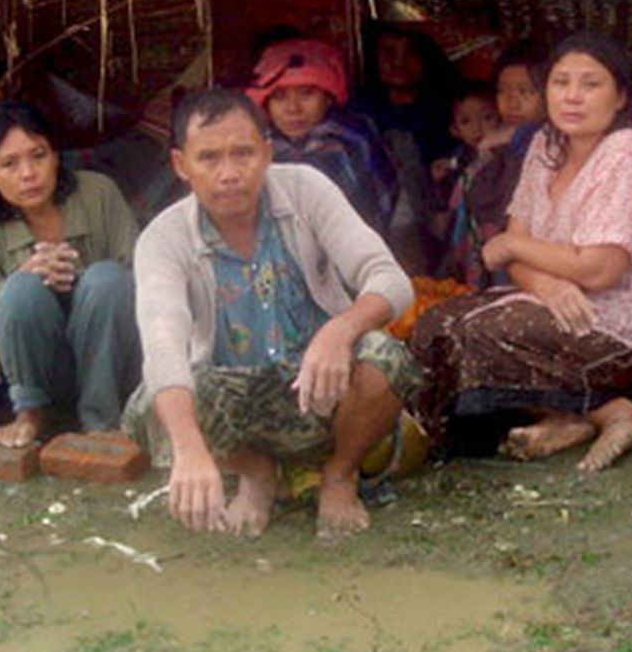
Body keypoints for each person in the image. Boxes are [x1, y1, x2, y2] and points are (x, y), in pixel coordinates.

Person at [123, 88, 421, 539]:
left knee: (384, 357)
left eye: (243, 153)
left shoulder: (306, 188)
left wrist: (339, 331)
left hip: (324, 389)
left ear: (266, 153)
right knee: (152, 400)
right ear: (181, 166)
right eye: (209, 158)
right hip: (236, 403)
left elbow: (391, 280)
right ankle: (255, 472)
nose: (229, 173)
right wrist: (188, 450)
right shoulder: (163, 239)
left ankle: (339, 474)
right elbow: (162, 343)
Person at [411, 32, 632, 472]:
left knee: (477, 335)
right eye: (560, 82)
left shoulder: (628, 152)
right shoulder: (547, 145)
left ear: (620, 96)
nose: (572, 96)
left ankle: (616, 414)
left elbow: (601, 267)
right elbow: (517, 256)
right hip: (561, 300)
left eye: (591, 84)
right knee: (437, 322)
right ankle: (573, 417)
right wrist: (545, 284)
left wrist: (513, 246)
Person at [0, 102, 142, 448]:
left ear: (56, 157)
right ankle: (31, 414)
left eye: (38, 156)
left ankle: (101, 419)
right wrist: (26, 276)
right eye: (9, 164)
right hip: (37, 361)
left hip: (109, 357)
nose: (28, 174)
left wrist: (78, 279)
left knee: (107, 278)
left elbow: (139, 274)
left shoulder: (99, 192)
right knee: (21, 291)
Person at [246, 38, 398, 235]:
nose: (293, 108)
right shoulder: (257, 149)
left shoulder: (350, 143)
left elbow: (369, 219)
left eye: (307, 93)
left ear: (328, 98)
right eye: (279, 96)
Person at [443, 44, 547, 285]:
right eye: (503, 91)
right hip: (481, 255)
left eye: (525, 91)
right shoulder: (491, 141)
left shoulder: (551, 142)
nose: (512, 102)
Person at [359, 24, 459, 273]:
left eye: (410, 52)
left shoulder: (451, 112)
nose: (398, 62)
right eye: (388, 52)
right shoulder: (360, 115)